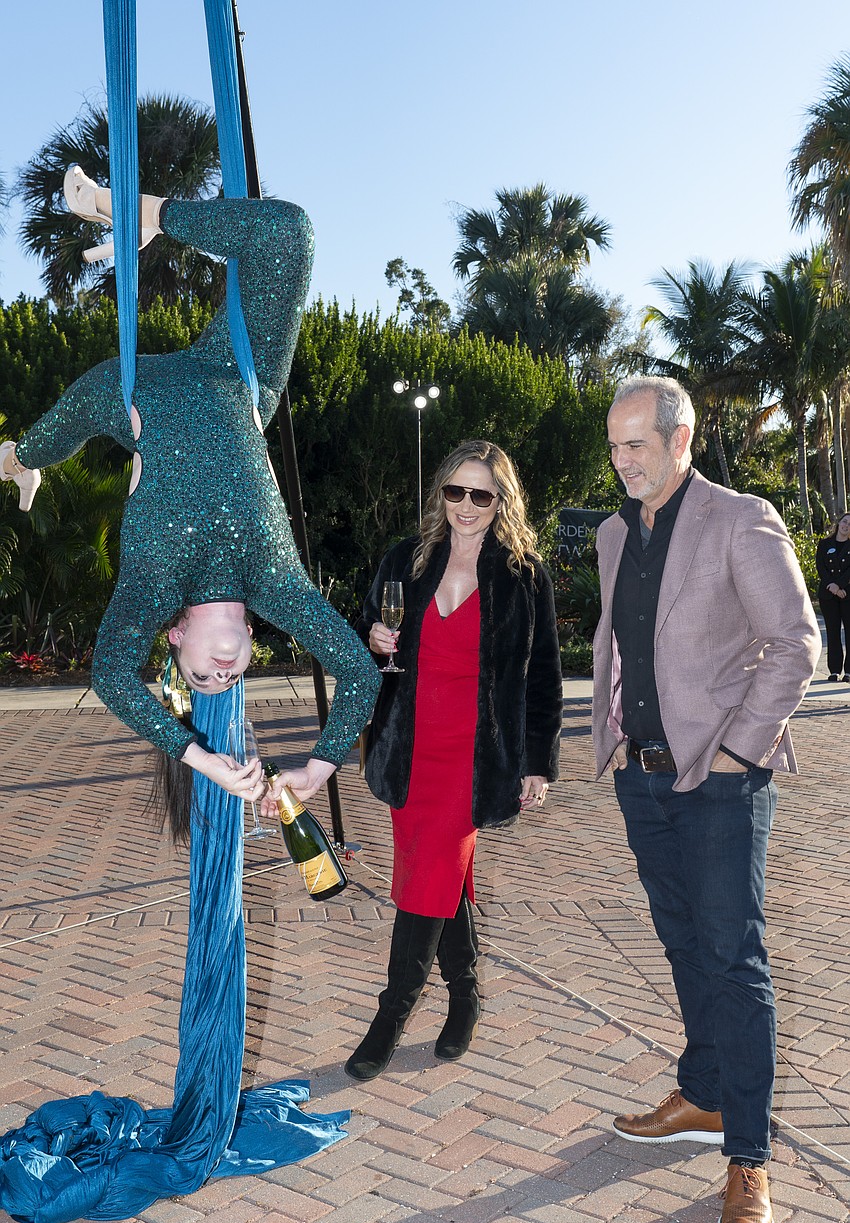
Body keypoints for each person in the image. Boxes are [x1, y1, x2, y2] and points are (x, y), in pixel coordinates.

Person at [1, 168, 380, 813]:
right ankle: (149, 215)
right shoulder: (273, 583)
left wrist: (197, 758)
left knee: (76, 412)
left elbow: (113, 678)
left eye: (204, 677)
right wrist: (315, 772)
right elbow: (362, 675)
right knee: (290, 234)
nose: (225, 673)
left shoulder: (157, 586)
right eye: (234, 678)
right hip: (239, 377)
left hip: (135, 396)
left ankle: (22, 459)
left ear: (175, 638)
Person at [592, 377, 820, 1223]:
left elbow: (796, 640)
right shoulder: (615, 532)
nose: (622, 462)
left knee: (734, 961)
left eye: (636, 445)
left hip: (721, 783)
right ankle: (705, 1090)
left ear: (681, 439)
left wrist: (737, 753)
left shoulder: (739, 517)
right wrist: (609, 737)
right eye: (614, 446)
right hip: (642, 779)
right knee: (684, 944)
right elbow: (619, 643)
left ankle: (749, 1154)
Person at [344, 440, 563, 1082]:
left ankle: (391, 1015)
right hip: (412, 749)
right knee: (441, 877)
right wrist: (373, 636)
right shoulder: (405, 560)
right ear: (440, 493)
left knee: (426, 880)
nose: (466, 506)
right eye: (455, 492)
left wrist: (537, 763)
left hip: (476, 757)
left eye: (481, 494)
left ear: (502, 501)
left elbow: (544, 676)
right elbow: (373, 641)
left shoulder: (524, 575)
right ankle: (465, 997)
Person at [816, 511, 850, 682]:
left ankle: (849, 671)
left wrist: (841, 586)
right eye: (845, 522)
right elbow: (821, 567)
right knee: (833, 632)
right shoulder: (824, 544)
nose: (846, 526)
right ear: (839, 523)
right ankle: (834, 670)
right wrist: (833, 587)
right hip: (828, 595)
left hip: (847, 594)